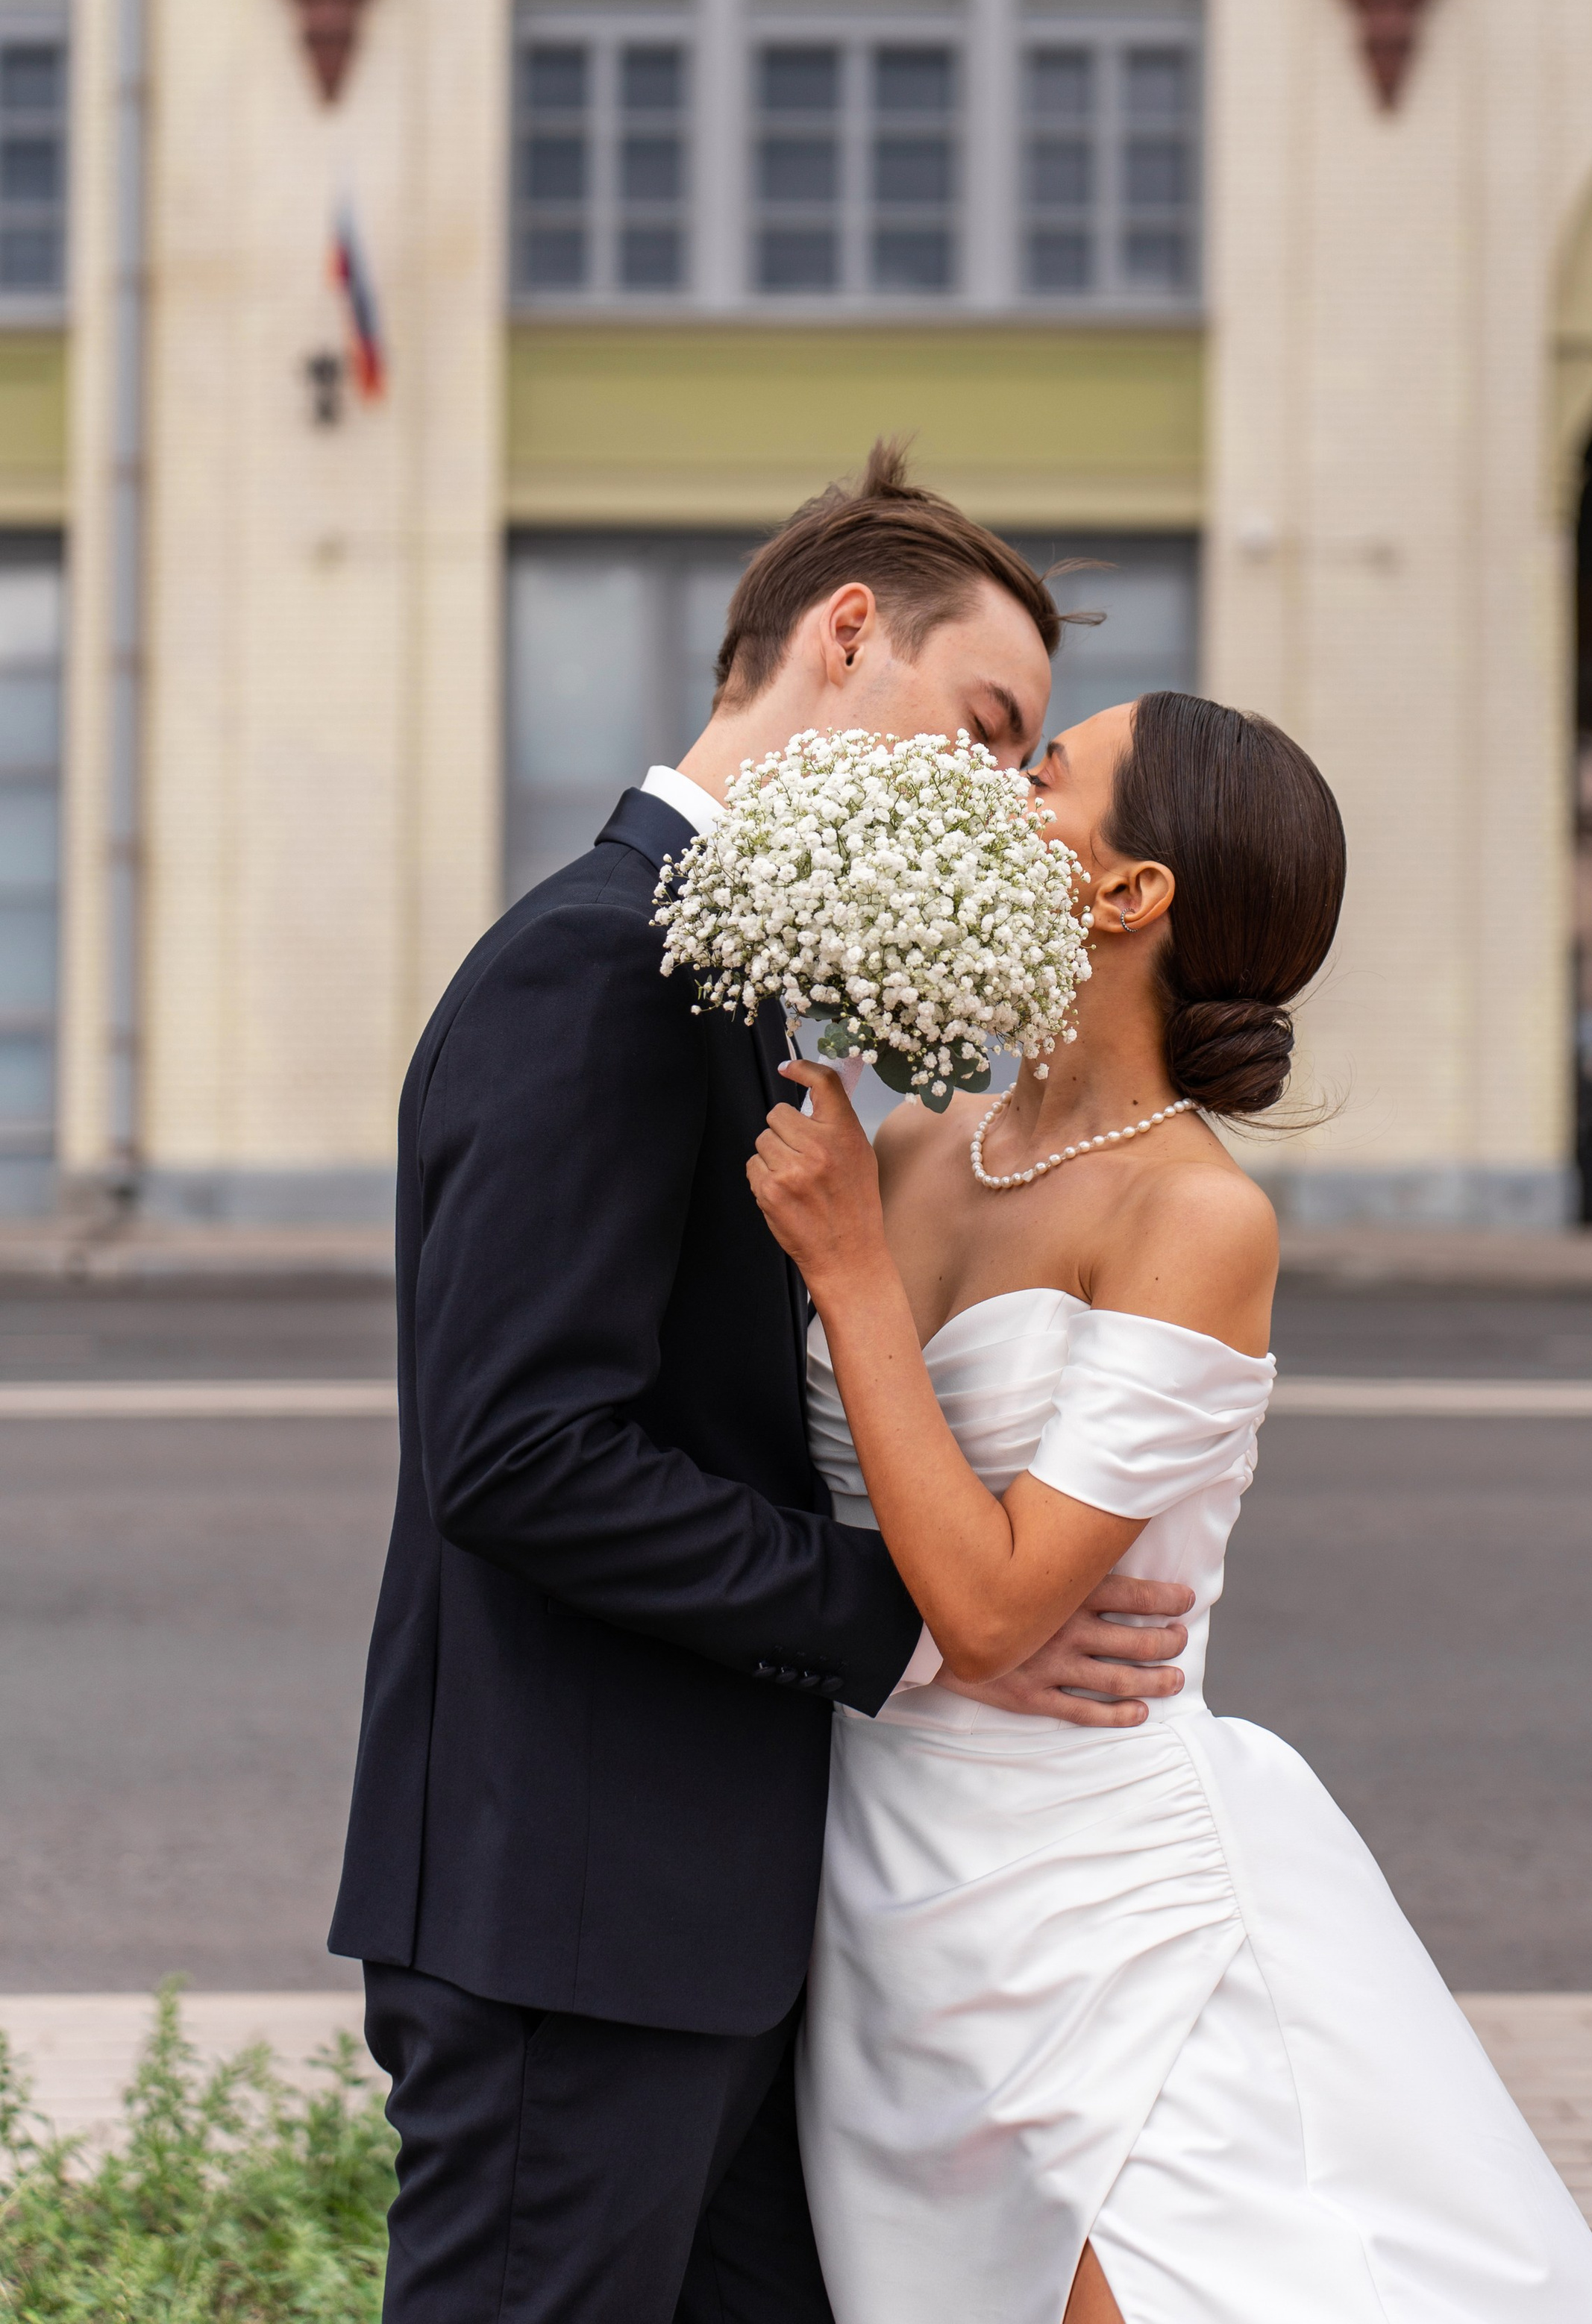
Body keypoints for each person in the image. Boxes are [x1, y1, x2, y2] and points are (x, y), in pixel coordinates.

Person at [328, 447, 1200, 2324]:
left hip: (708, 1930)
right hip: (571, 1922)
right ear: (845, 631)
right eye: (981, 729)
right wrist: (915, 1628)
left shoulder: (732, 984)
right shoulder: (596, 969)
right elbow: (523, 1454)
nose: (987, 799)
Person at [751, 690, 1592, 2324]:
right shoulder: (918, 1136)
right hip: (878, 1874)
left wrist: (848, 1268)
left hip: (1097, 1901)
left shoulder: (1196, 1215)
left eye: (1041, 772)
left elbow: (998, 1608)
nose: (990, 787)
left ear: (1125, 892)